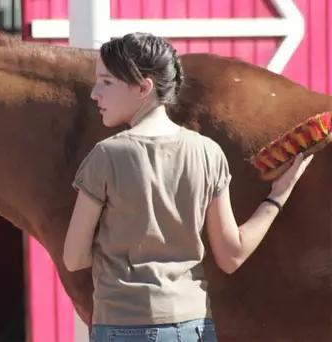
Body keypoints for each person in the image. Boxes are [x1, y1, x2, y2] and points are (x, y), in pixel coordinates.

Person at [63, 32, 313, 342]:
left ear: (144, 87)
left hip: (122, 324)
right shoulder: (208, 152)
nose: (94, 94)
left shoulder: (106, 156)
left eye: (107, 82)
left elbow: (74, 258)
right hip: (192, 328)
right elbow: (231, 256)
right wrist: (276, 197)